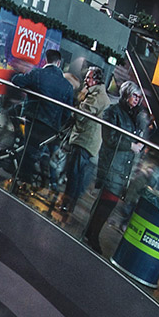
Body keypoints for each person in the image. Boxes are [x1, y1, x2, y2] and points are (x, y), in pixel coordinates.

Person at [83, 81, 152, 250]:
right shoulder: (114, 112)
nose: (137, 99)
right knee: (108, 202)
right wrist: (131, 145)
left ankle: (90, 232)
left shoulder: (136, 116)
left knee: (106, 202)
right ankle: (92, 235)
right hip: (112, 163)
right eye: (134, 95)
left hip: (124, 167)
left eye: (139, 97)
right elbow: (110, 138)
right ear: (126, 94)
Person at [10, 48, 75, 189]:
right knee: (40, 153)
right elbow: (67, 113)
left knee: (29, 150)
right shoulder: (68, 86)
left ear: (46, 60)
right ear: (59, 63)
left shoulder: (38, 74)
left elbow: (17, 81)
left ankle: (21, 182)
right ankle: (32, 183)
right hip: (51, 126)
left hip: (34, 119)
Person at [58, 66, 109, 216]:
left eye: (88, 78)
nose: (86, 80)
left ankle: (67, 204)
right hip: (83, 139)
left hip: (85, 140)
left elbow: (81, 114)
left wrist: (76, 106)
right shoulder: (95, 93)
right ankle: (68, 203)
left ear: (96, 80)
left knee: (74, 173)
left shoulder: (98, 96)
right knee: (76, 173)